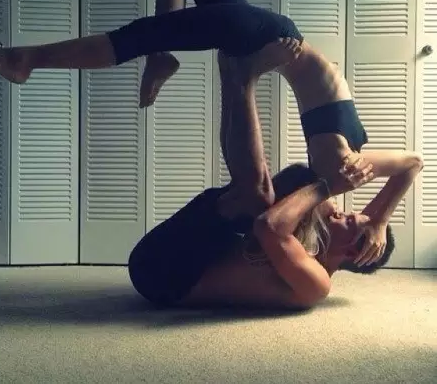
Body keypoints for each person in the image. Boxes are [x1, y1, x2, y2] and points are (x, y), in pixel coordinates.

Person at [0, 0, 424, 266]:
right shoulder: (348, 170)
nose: (352, 216)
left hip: (258, 40)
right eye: (361, 219)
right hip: (273, 37)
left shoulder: (326, 182)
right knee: (155, 8)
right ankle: (48, 59)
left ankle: (39, 58)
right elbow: (413, 163)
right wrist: (380, 220)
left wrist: (360, 224)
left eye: (355, 228)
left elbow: (272, 216)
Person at [127, 54, 395, 309]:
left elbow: (268, 226)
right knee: (292, 180)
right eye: (351, 214)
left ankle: (245, 77)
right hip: (196, 247)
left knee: (258, 195)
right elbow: (411, 163)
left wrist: (328, 187)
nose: (344, 213)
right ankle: (231, 67)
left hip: (163, 275)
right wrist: (378, 219)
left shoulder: (317, 284)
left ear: (352, 252)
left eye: (350, 222)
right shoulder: (316, 236)